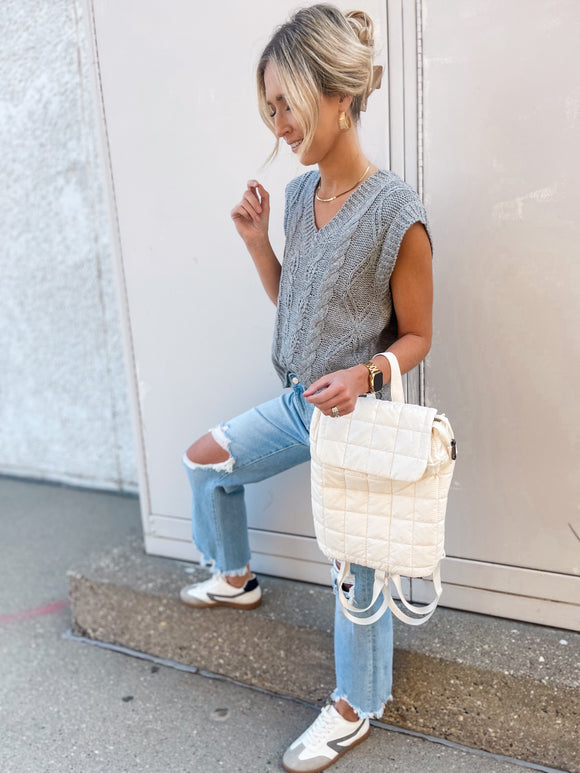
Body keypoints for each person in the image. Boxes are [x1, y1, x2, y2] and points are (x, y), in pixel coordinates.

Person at [180, 4, 433, 771]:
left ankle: (356, 703)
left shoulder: (397, 213)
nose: (278, 124)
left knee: (357, 565)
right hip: (299, 403)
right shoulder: (295, 200)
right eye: (270, 109)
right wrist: (260, 246)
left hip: (359, 414)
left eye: (284, 103)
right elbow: (298, 302)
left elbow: (419, 336)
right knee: (206, 459)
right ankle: (234, 573)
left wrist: (366, 373)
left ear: (334, 94)